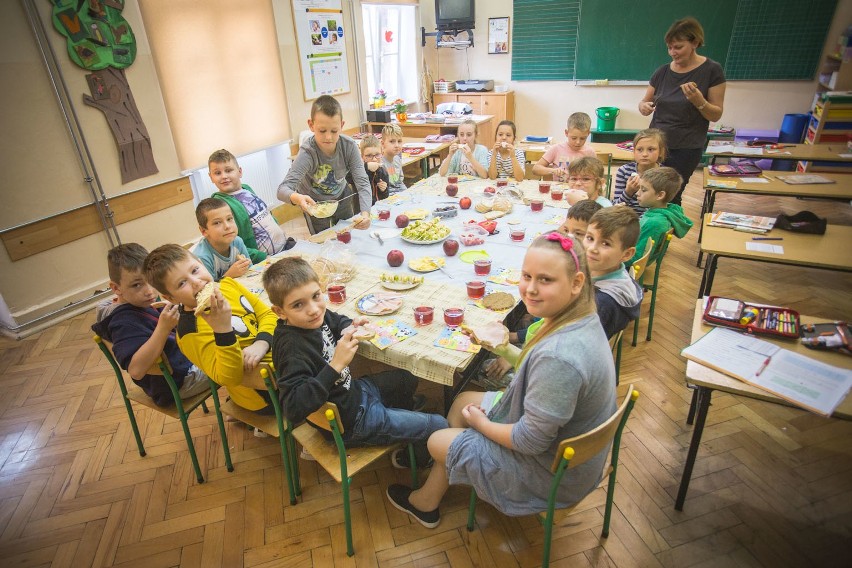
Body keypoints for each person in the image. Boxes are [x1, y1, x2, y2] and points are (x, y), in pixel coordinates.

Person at [385, 232, 617, 528]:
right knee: (462, 402)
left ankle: (435, 481)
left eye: (545, 280)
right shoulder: (579, 316)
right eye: (526, 276)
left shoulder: (560, 357)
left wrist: (482, 425)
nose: (530, 289)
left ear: (576, 283)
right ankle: (427, 500)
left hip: (552, 475)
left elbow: (529, 441)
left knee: (436, 440)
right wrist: (504, 347)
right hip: (569, 455)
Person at [262, 257, 447, 466]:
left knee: (407, 377)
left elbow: (334, 318)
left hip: (356, 393)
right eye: (298, 305)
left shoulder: (312, 319)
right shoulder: (292, 349)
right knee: (439, 425)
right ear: (279, 311)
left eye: (316, 296)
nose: (313, 309)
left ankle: (401, 428)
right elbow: (293, 407)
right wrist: (336, 366)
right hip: (351, 423)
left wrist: (349, 325)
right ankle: (412, 458)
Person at [144, 244, 278, 415]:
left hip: (279, 355)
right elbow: (229, 377)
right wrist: (222, 331)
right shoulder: (190, 333)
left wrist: (262, 342)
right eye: (182, 283)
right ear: (170, 298)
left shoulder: (228, 285)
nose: (196, 282)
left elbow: (268, 314)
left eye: (194, 270)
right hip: (265, 395)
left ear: (201, 263)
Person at [91, 244, 210, 407]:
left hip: (183, 368)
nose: (149, 292)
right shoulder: (122, 322)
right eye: (136, 285)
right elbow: (136, 370)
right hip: (180, 382)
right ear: (116, 288)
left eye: (150, 282)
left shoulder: (134, 304)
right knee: (233, 359)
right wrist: (163, 328)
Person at [639, 17, 726, 205]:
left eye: (678, 47)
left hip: (686, 148)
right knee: (649, 192)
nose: (672, 52)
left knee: (670, 196)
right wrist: (644, 107)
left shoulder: (712, 70)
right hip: (656, 145)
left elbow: (716, 114)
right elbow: (644, 102)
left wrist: (699, 101)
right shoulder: (662, 72)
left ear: (694, 42)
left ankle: (666, 232)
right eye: (669, 47)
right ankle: (649, 230)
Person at [277, 95, 372, 234]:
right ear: (311, 125)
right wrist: (298, 198)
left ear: (342, 125)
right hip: (315, 204)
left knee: (348, 235)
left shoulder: (349, 146)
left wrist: (365, 214)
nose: (328, 137)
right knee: (324, 241)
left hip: (342, 198)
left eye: (334, 131)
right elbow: (282, 189)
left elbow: (362, 183)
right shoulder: (307, 153)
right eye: (322, 131)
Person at [208, 149, 294, 262]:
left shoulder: (246, 189)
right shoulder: (220, 205)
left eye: (228, 170)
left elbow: (264, 214)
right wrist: (263, 258)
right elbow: (231, 244)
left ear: (240, 171)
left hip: (284, 246)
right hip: (266, 260)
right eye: (217, 173)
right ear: (211, 177)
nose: (224, 176)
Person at [584, 207, 643, 339]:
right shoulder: (607, 270)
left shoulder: (603, 303)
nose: (592, 248)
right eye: (590, 238)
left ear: (627, 254)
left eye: (605, 243)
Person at [628, 167, 693, 266]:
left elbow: (637, 258)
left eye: (643, 190)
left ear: (660, 195)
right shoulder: (662, 211)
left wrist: (612, 259)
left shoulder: (655, 223)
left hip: (630, 266)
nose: (637, 193)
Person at [192, 198, 252, 282]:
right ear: (203, 231)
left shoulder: (237, 241)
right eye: (217, 223)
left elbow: (251, 270)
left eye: (229, 219)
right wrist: (228, 276)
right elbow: (208, 291)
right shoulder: (202, 257)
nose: (227, 226)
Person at [613, 129, 667, 214]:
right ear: (634, 151)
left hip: (652, 219)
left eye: (651, 149)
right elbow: (616, 206)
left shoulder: (665, 175)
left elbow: (665, 207)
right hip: (626, 218)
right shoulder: (624, 171)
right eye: (640, 150)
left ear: (661, 152)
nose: (645, 154)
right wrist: (628, 192)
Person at [532, 112, 596, 182]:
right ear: (566, 133)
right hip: (560, 191)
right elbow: (535, 169)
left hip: (580, 190)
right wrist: (553, 170)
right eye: (574, 138)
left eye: (583, 138)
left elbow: (596, 175)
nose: (578, 142)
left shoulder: (590, 152)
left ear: (588, 134)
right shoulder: (556, 149)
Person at [357, 134, 389, 204]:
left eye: (377, 155)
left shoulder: (383, 171)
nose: (374, 159)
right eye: (369, 156)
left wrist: (384, 190)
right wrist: (366, 167)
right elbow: (348, 178)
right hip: (362, 210)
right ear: (362, 157)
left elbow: (385, 197)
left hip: (379, 208)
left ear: (382, 154)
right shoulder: (358, 170)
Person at [380, 124, 407, 194]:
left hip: (399, 195)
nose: (397, 145)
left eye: (399, 141)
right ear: (382, 144)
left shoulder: (397, 159)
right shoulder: (380, 164)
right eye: (392, 141)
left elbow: (400, 183)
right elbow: (383, 190)